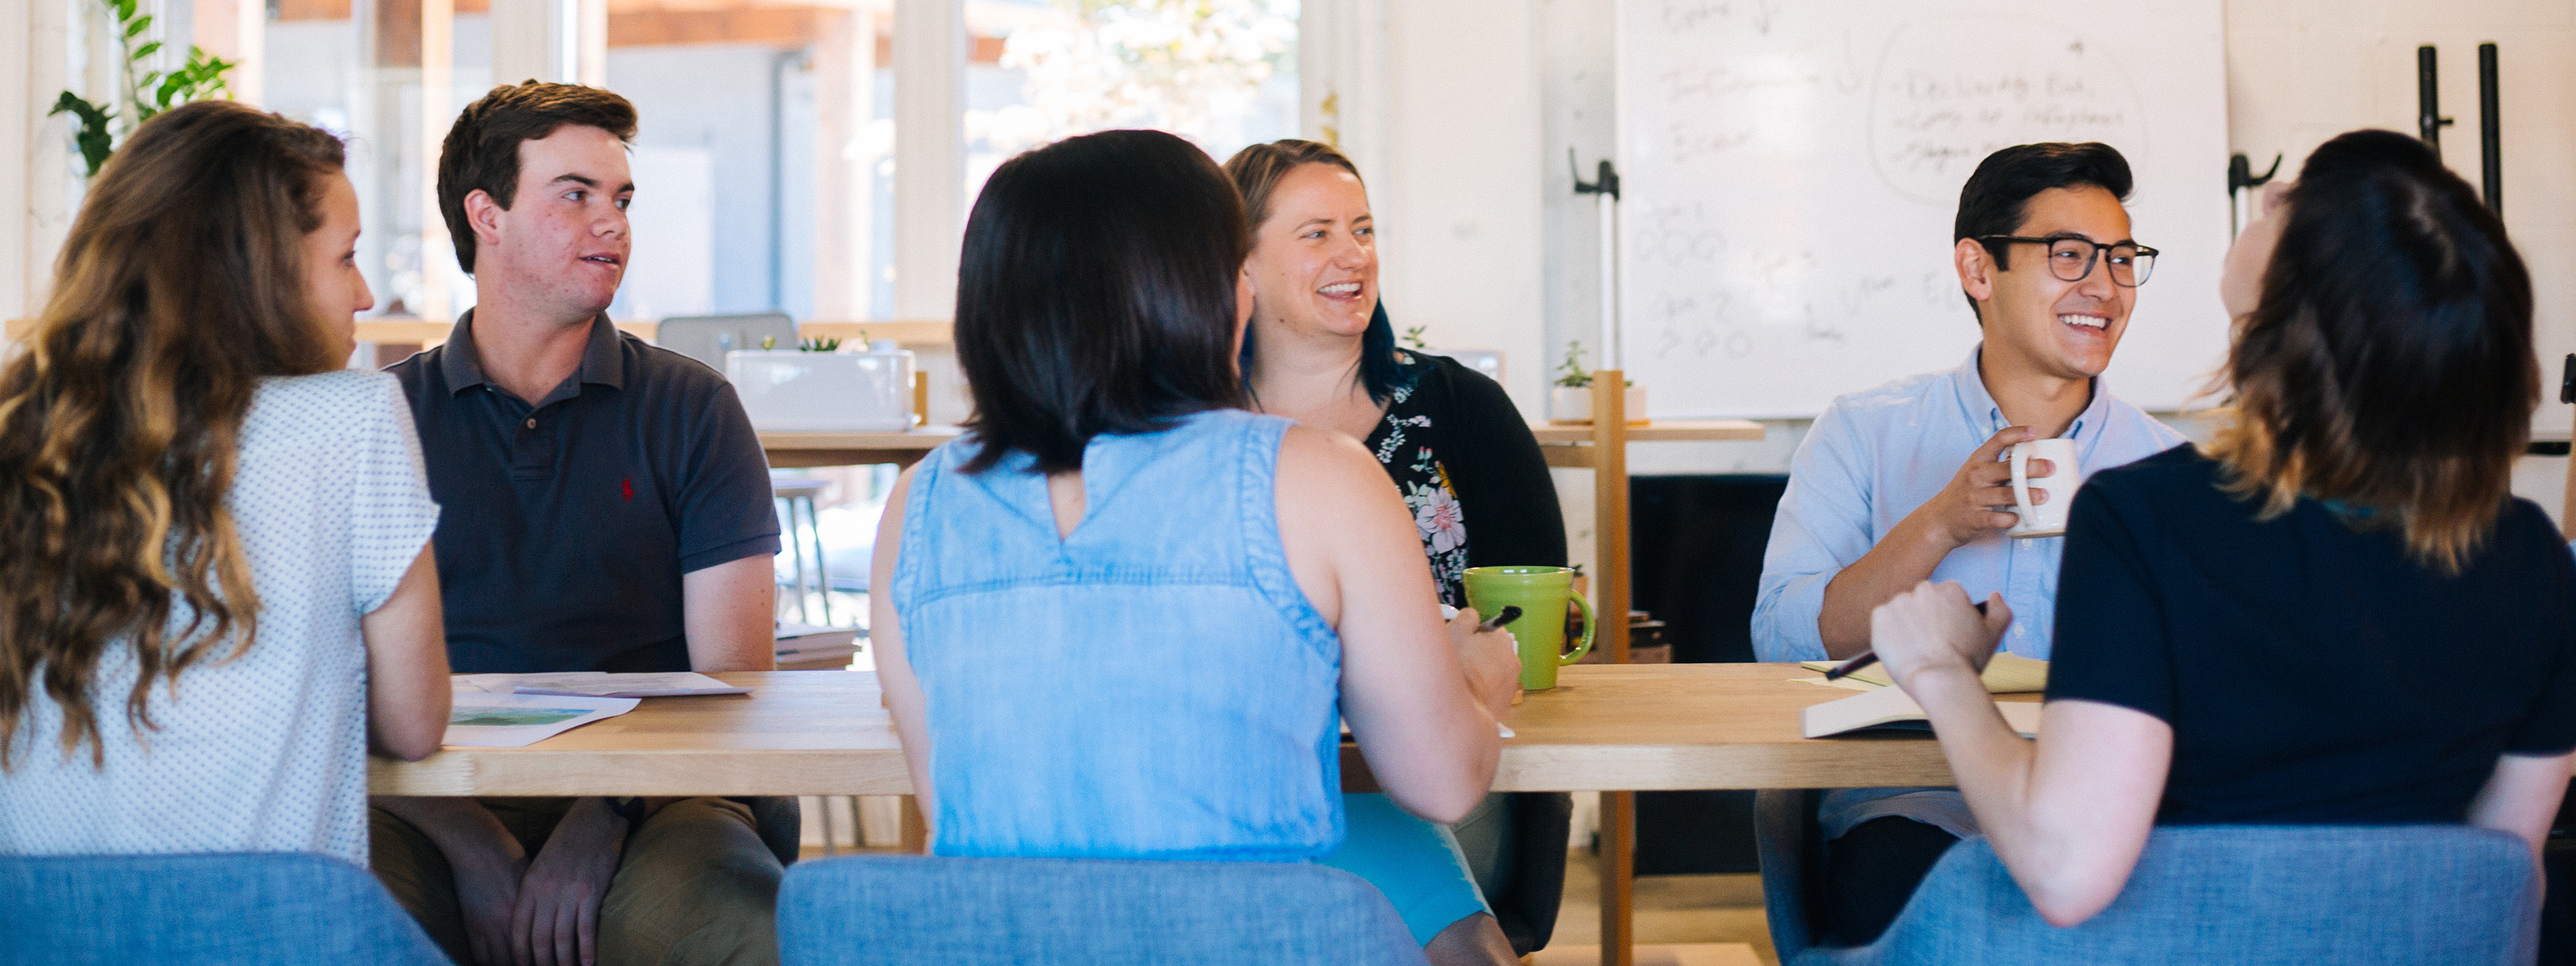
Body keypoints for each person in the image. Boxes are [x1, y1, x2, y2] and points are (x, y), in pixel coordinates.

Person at [1867, 127, 2576, 928]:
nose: (2270, 195)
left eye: (2294, 201)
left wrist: (1941, 672)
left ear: (2292, 311)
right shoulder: (2532, 557)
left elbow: (2065, 872)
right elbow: (2492, 884)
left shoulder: (2144, 517)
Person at [868, 129, 1520, 935]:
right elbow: (1443, 784)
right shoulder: (1322, 477)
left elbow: (953, 800)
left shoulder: (915, 506)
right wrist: (1479, 684)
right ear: (1211, 290)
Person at [369, 82, 787, 966]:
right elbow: (332, 692)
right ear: (486, 213)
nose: (613, 224)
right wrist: (470, 840)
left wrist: (602, 822)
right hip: (426, 800)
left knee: (733, 930)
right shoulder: (379, 420)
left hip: (657, 805)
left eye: (622, 199)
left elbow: (733, 681)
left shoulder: (694, 408)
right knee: (330, 927)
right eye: (576, 195)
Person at [1750, 142, 2187, 945]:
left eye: (2122, 259)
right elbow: (1778, 637)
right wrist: (1938, 524)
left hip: (2109, 820)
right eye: (2068, 256)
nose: (2104, 286)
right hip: (1916, 812)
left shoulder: (2167, 470)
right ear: (1976, 270)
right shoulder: (1865, 430)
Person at [0, 101, 449, 861]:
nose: (366, 294)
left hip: (42, 930)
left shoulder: (26, 431)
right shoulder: (354, 416)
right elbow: (414, 725)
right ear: (256, 273)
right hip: (266, 929)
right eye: (346, 258)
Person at [1226, 138, 1565, 964]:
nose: (1353, 255)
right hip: (1244, 785)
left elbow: (1530, 626)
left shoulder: (1460, 408)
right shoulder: (1195, 431)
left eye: (1363, 228)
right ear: (1240, 266)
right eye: (1315, 234)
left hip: (1434, 778)